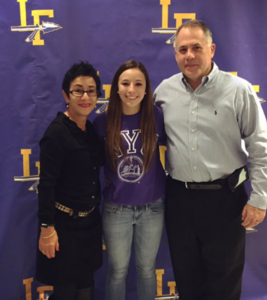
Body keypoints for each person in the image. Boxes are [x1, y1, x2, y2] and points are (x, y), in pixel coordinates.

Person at [154, 20, 267, 300]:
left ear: (212, 49)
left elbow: (260, 145)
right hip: (179, 200)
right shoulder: (163, 93)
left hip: (224, 199)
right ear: (175, 54)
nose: (189, 55)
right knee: (187, 279)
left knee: (224, 283)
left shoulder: (238, 90)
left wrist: (259, 198)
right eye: (182, 49)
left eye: (197, 47)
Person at [93, 60, 166, 300]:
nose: (131, 90)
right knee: (117, 270)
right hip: (117, 210)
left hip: (152, 208)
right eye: (125, 83)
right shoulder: (102, 122)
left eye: (138, 84)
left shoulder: (157, 116)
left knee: (146, 270)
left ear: (146, 89)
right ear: (116, 87)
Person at [36, 61, 104, 300]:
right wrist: (47, 229)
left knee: (86, 289)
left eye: (91, 90)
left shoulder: (90, 130)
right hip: (63, 228)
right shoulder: (56, 133)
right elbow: (46, 184)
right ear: (66, 95)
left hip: (90, 225)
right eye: (78, 90)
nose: (85, 96)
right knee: (66, 292)